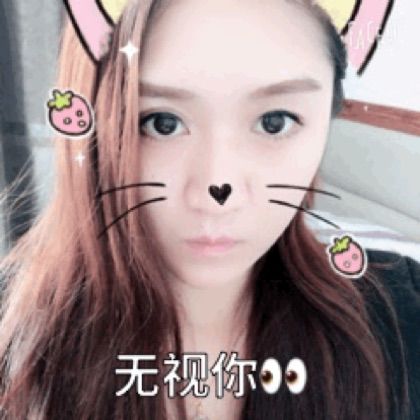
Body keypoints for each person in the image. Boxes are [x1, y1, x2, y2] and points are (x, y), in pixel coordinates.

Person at [0, 0, 419, 419]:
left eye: (274, 121)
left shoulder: (402, 317)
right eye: (161, 123)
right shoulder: (15, 334)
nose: (218, 189)